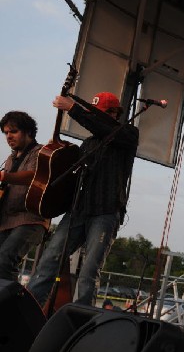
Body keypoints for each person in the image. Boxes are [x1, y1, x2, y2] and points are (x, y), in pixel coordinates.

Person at [28, 92, 138, 306]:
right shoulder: (87, 144)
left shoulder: (128, 134)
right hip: (77, 210)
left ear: (115, 114)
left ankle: (80, 321)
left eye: (101, 113)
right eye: (93, 113)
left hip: (106, 211)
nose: (95, 117)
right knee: (49, 260)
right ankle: (29, 308)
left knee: (89, 271)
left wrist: (73, 109)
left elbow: (106, 130)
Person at [0, 111, 49, 282]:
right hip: (6, 221)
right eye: (6, 133)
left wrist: (4, 176)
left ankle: (9, 306)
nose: (8, 136)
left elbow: (35, 176)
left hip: (30, 219)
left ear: (28, 131)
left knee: (5, 261)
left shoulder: (41, 153)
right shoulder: (9, 160)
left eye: (13, 131)